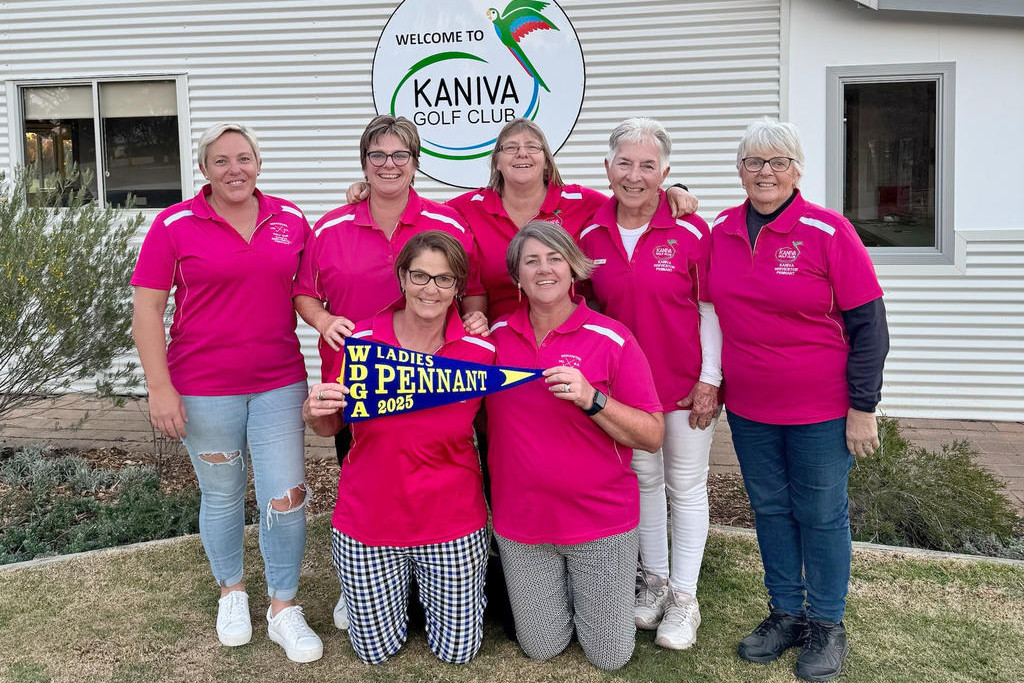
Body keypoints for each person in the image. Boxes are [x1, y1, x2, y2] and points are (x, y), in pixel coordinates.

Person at [131, 123, 322, 663]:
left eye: (244, 158)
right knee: (221, 494)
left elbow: (308, 288)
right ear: (204, 169)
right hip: (201, 387)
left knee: (286, 495)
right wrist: (159, 389)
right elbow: (146, 311)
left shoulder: (290, 220)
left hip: (279, 382)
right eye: (220, 161)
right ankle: (232, 592)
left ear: (259, 163)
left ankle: (284, 606)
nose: (233, 169)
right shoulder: (174, 224)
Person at [709, 119, 888, 682]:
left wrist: (863, 408)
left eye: (777, 162)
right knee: (770, 510)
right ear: (739, 170)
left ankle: (827, 624)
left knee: (821, 514)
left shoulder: (828, 232)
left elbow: (870, 327)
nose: (765, 172)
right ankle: (785, 613)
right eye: (754, 162)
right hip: (750, 408)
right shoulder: (719, 231)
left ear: (796, 170)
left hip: (822, 410)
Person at [292, 115, 487, 630]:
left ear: (417, 164)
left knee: (448, 468)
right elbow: (305, 293)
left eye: (400, 155)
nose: (388, 164)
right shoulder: (331, 226)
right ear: (363, 163)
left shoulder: (446, 222)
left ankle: (446, 576)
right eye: (377, 155)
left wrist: (475, 317)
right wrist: (324, 318)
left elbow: (472, 291)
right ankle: (366, 582)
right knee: (366, 473)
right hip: (358, 381)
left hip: (438, 377)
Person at [303, 231, 492, 665]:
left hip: (452, 522)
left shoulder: (480, 352)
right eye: (421, 276)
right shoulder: (360, 341)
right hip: (368, 522)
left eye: (444, 280)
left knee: (458, 653)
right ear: (402, 278)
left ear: (458, 287)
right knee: (375, 652)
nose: (431, 289)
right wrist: (312, 411)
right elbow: (330, 423)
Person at [485, 221, 665, 670]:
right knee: (541, 647)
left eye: (554, 258)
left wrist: (592, 398)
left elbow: (651, 433)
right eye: (531, 261)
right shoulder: (492, 339)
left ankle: (606, 588)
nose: (544, 269)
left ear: (573, 269)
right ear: (516, 278)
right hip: (522, 522)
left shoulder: (612, 338)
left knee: (610, 656)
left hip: (599, 520)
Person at [577, 117, 720, 651]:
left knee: (685, 487)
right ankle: (654, 580)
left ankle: (685, 598)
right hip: (626, 392)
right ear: (607, 167)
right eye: (624, 163)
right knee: (644, 484)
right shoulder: (589, 232)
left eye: (647, 165)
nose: (634, 176)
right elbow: (590, 313)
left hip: (685, 387)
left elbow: (709, 309)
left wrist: (711, 379)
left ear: (665, 172)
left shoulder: (692, 229)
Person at [348, 117, 699, 321]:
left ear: (547, 160)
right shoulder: (467, 208)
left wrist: (671, 191)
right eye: (510, 147)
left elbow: (631, 195)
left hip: (568, 338)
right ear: (496, 161)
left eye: (532, 146)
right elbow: (418, 208)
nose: (521, 153)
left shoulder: (581, 202)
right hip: (496, 342)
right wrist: (371, 188)